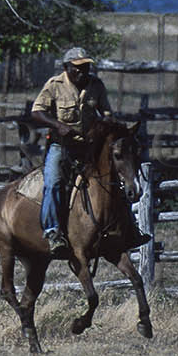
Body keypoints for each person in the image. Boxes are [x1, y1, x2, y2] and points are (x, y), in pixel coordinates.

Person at [28, 46, 149, 255]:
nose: (83, 71)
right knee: (54, 181)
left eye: (86, 67)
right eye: (77, 67)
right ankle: (52, 232)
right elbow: (37, 112)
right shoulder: (54, 85)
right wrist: (58, 125)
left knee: (113, 178)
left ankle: (128, 229)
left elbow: (106, 111)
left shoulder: (96, 85)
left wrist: (108, 123)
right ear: (66, 67)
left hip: (89, 145)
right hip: (61, 145)